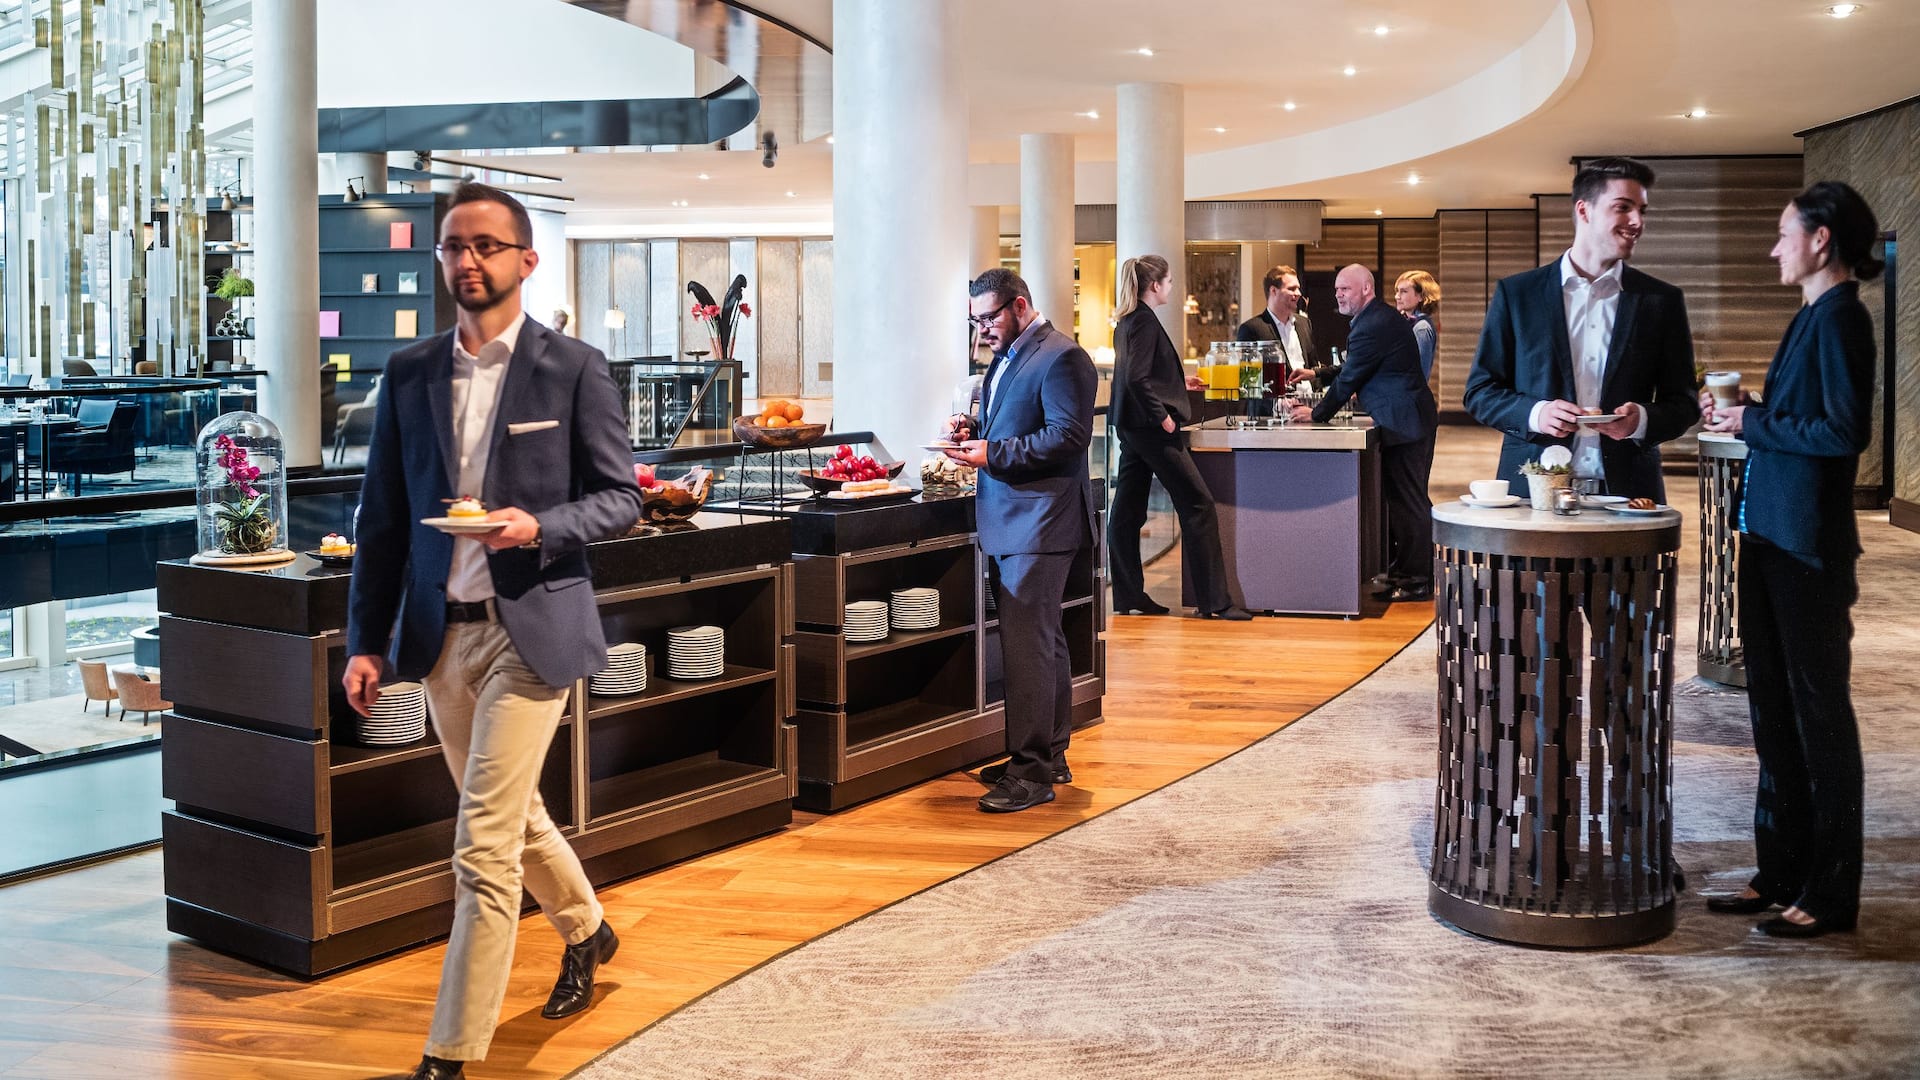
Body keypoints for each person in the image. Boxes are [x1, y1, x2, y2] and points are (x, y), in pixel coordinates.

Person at [343, 183, 643, 1080]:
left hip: (533, 634)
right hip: (442, 639)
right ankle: (589, 933)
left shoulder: (576, 368)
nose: (467, 262)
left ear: (525, 259)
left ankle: (451, 1052)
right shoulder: (409, 374)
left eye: (485, 245)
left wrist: (537, 527)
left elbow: (621, 497)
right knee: (513, 821)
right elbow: (382, 519)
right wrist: (367, 639)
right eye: (452, 248)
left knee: (479, 842)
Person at [1698, 181, 1880, 939]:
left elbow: (1843, 434)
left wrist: (1756, 419)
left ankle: (1831, 894)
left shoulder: (1842, 319)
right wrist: (1750, 420)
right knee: (1773, 717)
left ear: (1822, 240)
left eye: (1783, 233)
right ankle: (1779, 873)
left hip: (1807, 549)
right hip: (1770, 537)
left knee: (1819, 722)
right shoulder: (1811, 314)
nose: (1774, 246)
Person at [944, 268, 1096, 813]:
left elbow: (1068, 435)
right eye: (976, 321)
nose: (983, 330)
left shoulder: (1062, 356)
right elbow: (1019, 423)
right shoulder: (1011, 356)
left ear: (1020, 305)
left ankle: (1030, 774)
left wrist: (994, 454)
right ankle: (1049, 754)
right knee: (1044, 641)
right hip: (1015, 519)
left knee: (1027, 647)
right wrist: (976, 434)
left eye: (989, 318)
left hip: (1040, 522)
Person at [1462, 156, 1699, 500]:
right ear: (1584, 211)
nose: (1636, 222)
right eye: (1623, 207)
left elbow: (1684, 402)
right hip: (1534, 495)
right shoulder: (1518, 295)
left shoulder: (1660, 300)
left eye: (1642, 211)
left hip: (1629, 496)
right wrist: (1537, 414)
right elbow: (1480, 391)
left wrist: (1642, 420)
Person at [1107, 254, 1251, 621]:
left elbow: (1137, 375)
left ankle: (1128, 595)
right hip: (1150, 430)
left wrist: (1176, 384)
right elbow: (1137, 379)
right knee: (1199, 506)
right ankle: (1215, 602)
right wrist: (1164, 420)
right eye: (1169, 281)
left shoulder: (1129, 320)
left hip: (1132, 428)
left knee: (1127, 512)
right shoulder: (1143, 321)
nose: (1172, 287)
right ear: (1155, 285)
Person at [1292, 265, 1437, 602]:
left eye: (1345, 289)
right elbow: (1356, 366)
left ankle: (1417, 580)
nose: (1338, 294)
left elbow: (1351, 378)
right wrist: (1318, 373)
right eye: (1337, 289)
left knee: (1409, 502)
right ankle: (1405, 572)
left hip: (1405, 423)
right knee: (1402, 502)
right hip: (1407, 420)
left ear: (1366, 289)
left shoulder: (1371, 324)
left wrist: (1316, 413)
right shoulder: (1377, 319)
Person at [1235, 264, 1331, 391]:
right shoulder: (1252, 329)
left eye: (1298, 288)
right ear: (1273, 291)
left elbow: (1314, 366)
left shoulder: (1304, 323)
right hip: (1275, 407)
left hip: (1309, 404)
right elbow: (1246, 382)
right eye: (1292, 289)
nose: (1298, 293)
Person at [1394, 270, 1441, 380]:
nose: (1397, 296)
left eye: (1403, 291)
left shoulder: (1421, 328)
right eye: (1397, 291)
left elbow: (1419, 376)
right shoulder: (1404, 322)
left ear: (1421, 296)